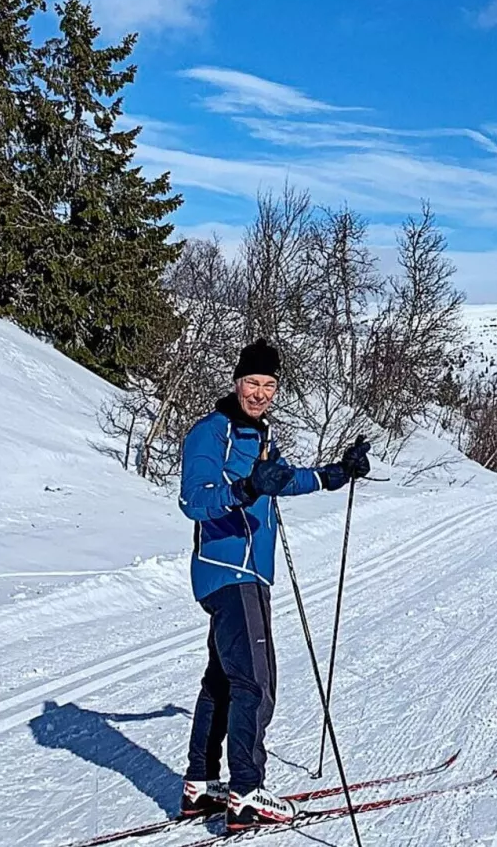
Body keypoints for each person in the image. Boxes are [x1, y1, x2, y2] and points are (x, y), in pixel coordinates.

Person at [176, 339, 373, 830]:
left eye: (269, 386)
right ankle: (246, 791)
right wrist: (245, 489)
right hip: (229, 571)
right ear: (236, 382)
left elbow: (281, 480)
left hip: (246, 576)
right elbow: (194, 500)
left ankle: (199, 784)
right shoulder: (211, 432)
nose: (260, 393)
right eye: (253, 383)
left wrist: (335, 474)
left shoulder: (260, 436)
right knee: (256, 683)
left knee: (221, 681)